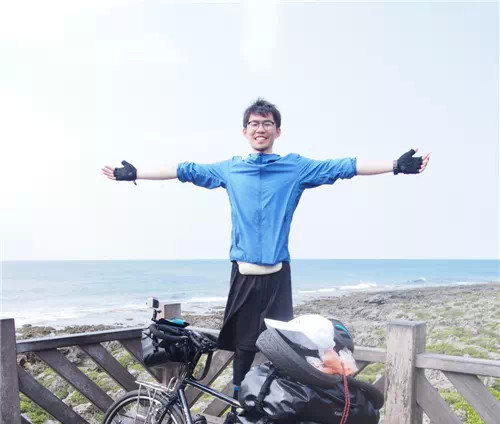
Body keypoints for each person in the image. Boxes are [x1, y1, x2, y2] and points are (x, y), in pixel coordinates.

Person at [102, 98, 430, 397]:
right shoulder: (230, 169)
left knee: (282, 348)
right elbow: (184, 171)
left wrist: (395, 165)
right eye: (255, 124)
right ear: (245, 131)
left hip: (277, 275)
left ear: (277, 131)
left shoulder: (295, 168)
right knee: (243, 349)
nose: (261, 129)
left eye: (267, 123)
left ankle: (273, 408)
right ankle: (238, 409)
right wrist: (135, 173)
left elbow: (343, 166)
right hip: (243, 275)